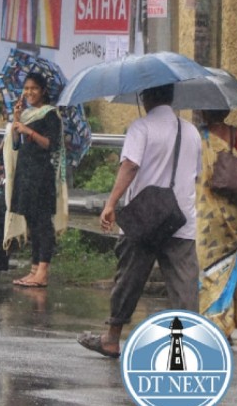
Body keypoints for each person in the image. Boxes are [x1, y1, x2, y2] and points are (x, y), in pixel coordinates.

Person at [78, 84, 202, 358]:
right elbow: (195, 175)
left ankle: (111, 338)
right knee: (184, 286)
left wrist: (111, 204)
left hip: (143, 219)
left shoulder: (141, 128)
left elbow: (130, 166)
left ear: (146, 97)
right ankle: (189, 346)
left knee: (130, 278)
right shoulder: (191, 132)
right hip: (180, 220)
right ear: (171, 97)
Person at [195, 109, 237, 342]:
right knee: (226, 269)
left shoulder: (196, 138)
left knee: (206, 269)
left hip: (204, 217)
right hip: (233, 217)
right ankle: (224, 325)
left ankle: (208, 324)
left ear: (203, 112)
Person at [4, 72, 67, 288]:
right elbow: (15, 145)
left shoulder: (50, 115)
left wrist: (27, 131)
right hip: (26, 173)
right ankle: (33, 270)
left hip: (41, 175)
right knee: (31, 221)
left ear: (43, 91)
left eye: (34, 88)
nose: (29, 92)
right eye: (27, 88)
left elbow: (50, 144)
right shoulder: (27, 114)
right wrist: (17, 121)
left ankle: (43, 270)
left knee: (42, 223)